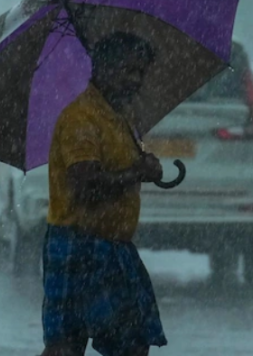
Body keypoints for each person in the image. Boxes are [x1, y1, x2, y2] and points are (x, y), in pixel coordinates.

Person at [41, 32, 167, 356]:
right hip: (78, 243)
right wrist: (137, 173)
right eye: (129, 71)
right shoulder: (81, 118)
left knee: (132, 342)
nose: (136, 81)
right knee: (67, 344)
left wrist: (141, 165)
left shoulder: (117, 116)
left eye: (141, 72)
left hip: (113, 247)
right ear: (103, 68)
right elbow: (85, 185)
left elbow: (116, 170)